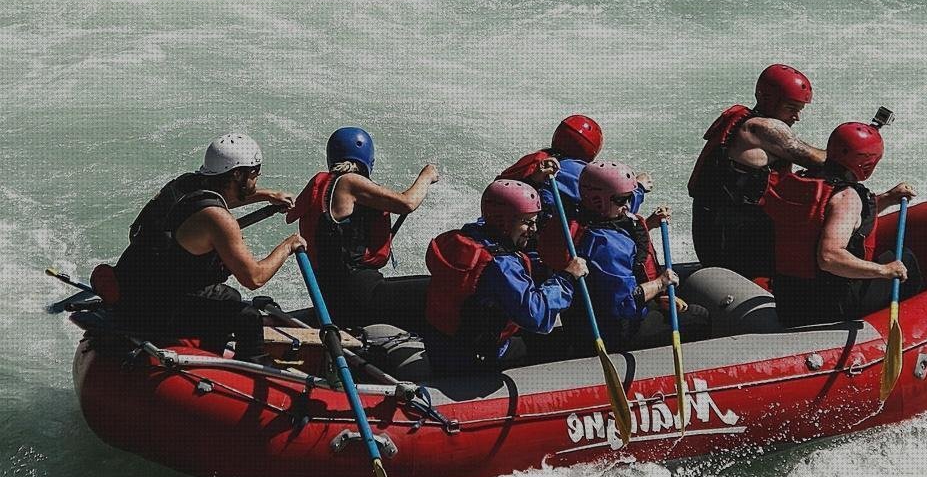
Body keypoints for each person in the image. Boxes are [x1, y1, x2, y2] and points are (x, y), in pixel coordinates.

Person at [112, 133, 303, 362]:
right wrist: (288, 245)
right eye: (254, 173)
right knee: (247, 316)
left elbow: (223, 197)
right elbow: (255, 278)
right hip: (156, 307)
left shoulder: (185, 184)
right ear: (237, 174)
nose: (257, 179)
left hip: (136, 287)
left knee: (228, 296)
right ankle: (255, 367)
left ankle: (209, 350)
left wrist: (268, 196)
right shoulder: (219, 220)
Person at [421, 179, 588, 374]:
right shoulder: (500, 265)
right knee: (560, 342)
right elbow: (537, 317)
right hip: (474, 358)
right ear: (504, 221)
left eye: (534, 221)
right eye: (527, 222)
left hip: (442, 345)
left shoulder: (468, 235)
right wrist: (566, 278)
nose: (533, 230)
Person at [762, 121, 919, 327]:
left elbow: (835, 219)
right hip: (828, 306)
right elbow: (829, 257)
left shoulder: (805, 181)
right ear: (867, 163)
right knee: (905, 259)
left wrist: (889, 197)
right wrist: (884, 270)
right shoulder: (846, 196)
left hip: (789, 301)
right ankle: (909, 329)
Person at [287, 127, 439, 332]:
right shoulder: (349, 182)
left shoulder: (326, 184)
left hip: (334, 296)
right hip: (359, 295)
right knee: (441, 288)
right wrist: (426, 176)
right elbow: (407, 203)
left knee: (429, 282)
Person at [688, 63, 827, 280]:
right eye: (791, 108)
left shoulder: (742, 122)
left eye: (800, 110)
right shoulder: (763, 128)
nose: (796, 117)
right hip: (732, 247)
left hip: (717, 236)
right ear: (768, 99)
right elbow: (821, 161)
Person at [563, 160, 710, 353]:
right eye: (622, 200)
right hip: (616, 330)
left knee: (681, 308)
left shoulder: (594, 218)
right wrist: (660, 284)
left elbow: (628, 224)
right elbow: (625, 303)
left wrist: (651, 221)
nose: (627, 205)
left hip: (609, 315)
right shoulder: (604, 246)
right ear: (600, 200)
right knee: (699, 316)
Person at [498, 114, 651, 264]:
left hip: (512, 234)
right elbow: (609, 207)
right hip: (540, 248)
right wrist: (639, 189)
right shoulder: (575, 171)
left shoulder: (535, 159)